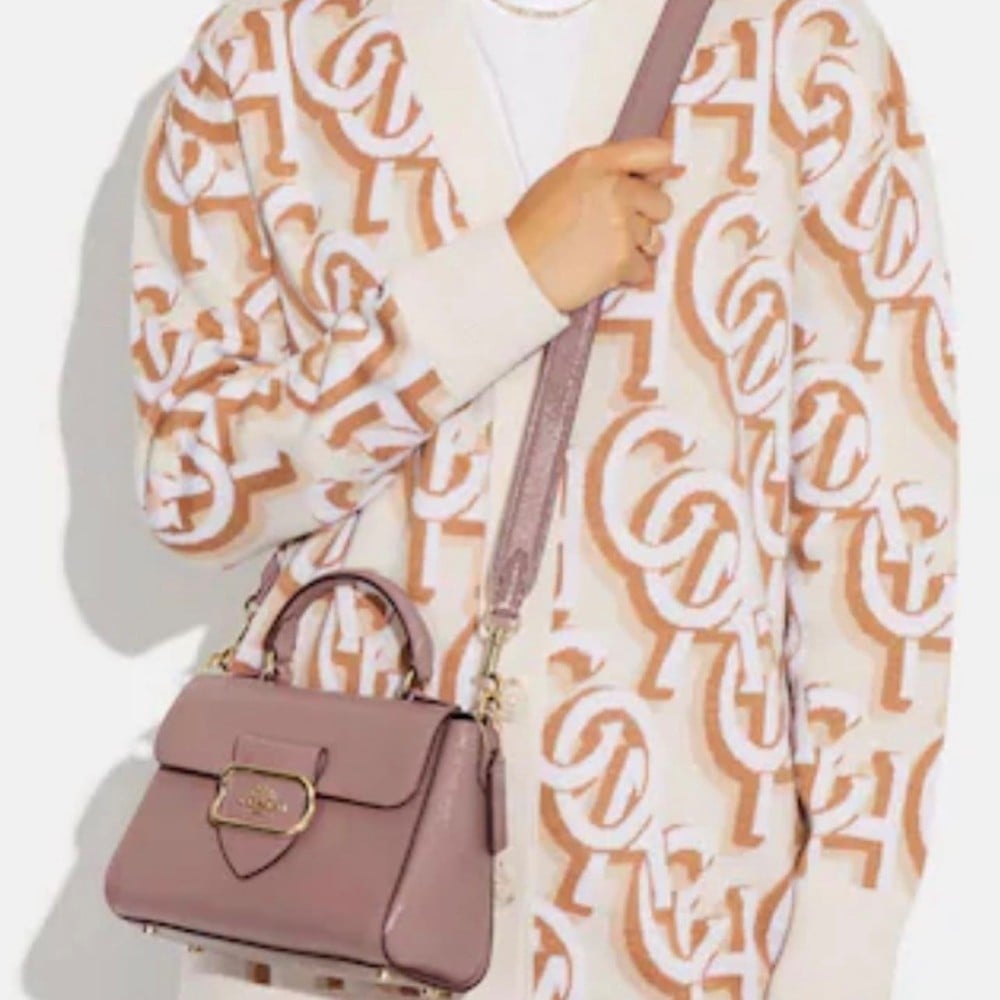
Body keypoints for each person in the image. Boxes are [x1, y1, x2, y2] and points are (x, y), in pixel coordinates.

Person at [129, 0, 957, 996]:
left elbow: (884, 544)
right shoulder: (267, 50)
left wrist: (845, 949)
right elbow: (189, 490)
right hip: (319, 917)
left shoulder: (800, 49)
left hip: (682, 920)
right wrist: (505, 281)